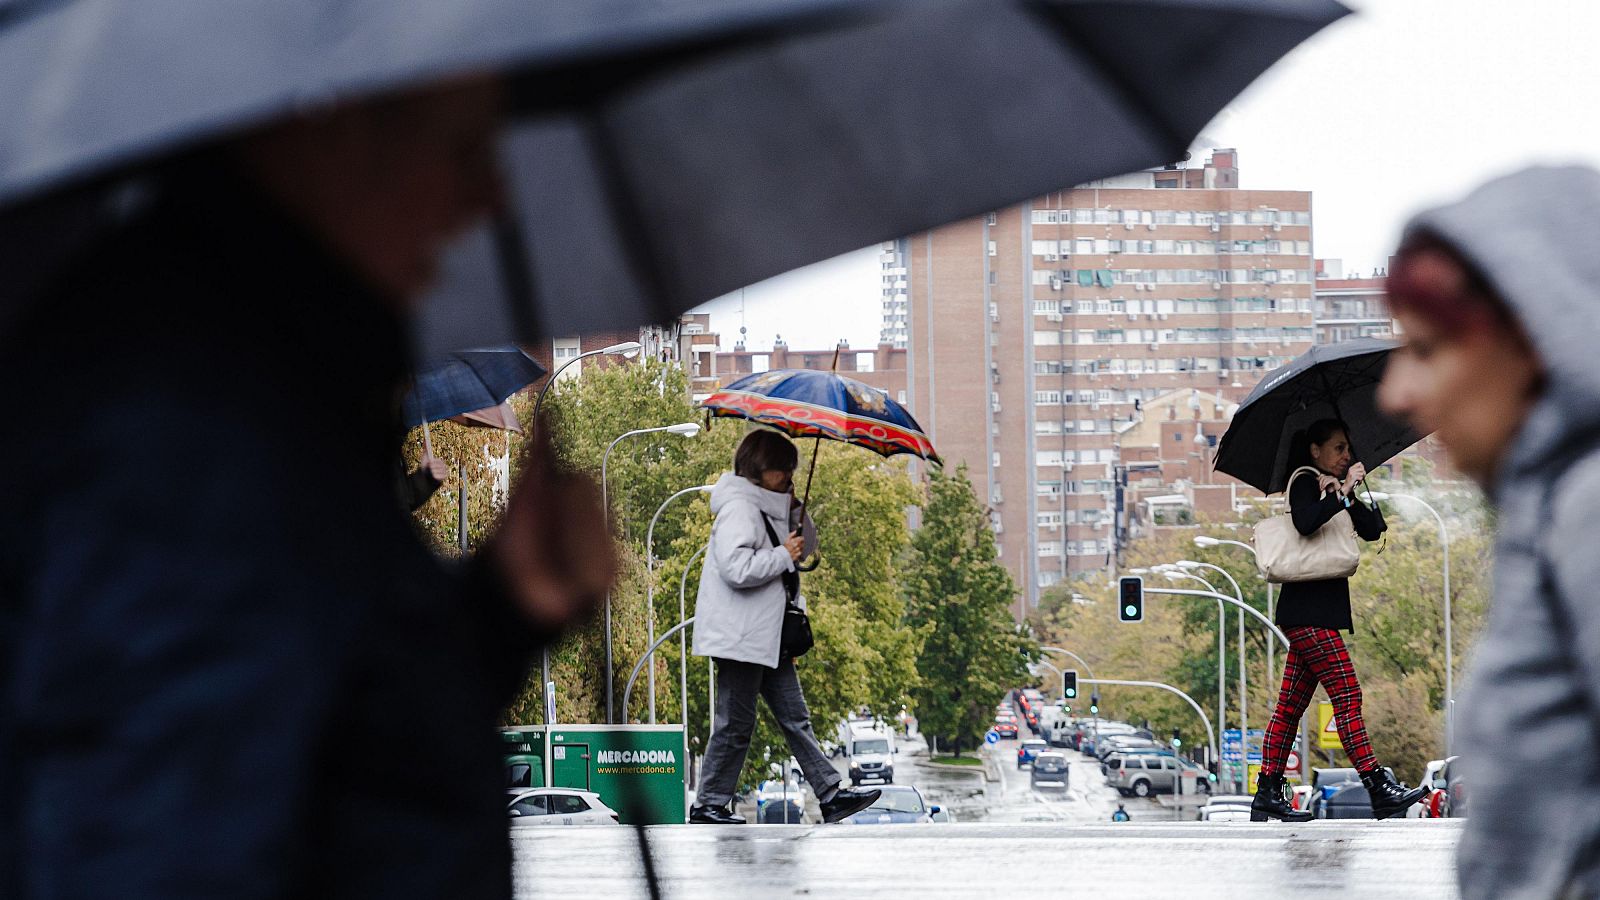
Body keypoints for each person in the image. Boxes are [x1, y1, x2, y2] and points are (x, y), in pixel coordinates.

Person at [0, 77, 616, 896]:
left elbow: (326, 739)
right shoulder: (189, 420)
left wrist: (503, 613)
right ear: (336, 120)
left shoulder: (269, 376)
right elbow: (158, 847)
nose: (490, 197)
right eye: (462, 149)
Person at [1376, 167, 1595, 899]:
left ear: (1536, 341)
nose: (1396, 394)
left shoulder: (1590, 505)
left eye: (1428, 350)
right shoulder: (1549, 506)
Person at [688, 429, 880, 825]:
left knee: (796, 716)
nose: (790, 475)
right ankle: (708, 803)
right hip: (742, 636)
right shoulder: (740, 508)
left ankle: (829, 794)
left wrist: (795, 510)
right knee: (735, 724)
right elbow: (737, 568)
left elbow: (806, 547)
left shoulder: (771, 504)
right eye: (783, 470)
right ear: (760, 470)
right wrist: (780, 555)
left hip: (768, 634)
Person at [1250, 419, 1426, 822]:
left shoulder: (1336, 488)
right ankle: (1378, 787)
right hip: (1308, 615)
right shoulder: (1304, 482)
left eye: (1348, 449)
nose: (1346, 455)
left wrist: (1353, 492)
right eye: (1339, 448)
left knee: (1288, 709)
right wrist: (1340, 492)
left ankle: (1267, 793)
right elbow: (1305, 523)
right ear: (1316, 451)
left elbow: (1373, 529)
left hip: (1317, 616)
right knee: (1347, 694)